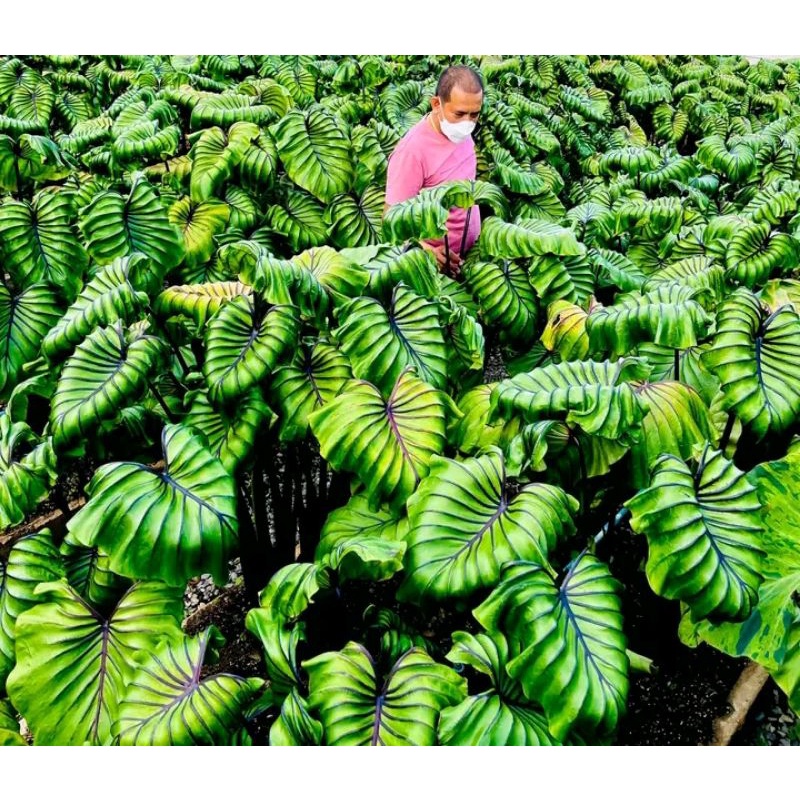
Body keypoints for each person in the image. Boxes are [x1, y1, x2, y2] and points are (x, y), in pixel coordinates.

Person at [384, 65, 484, 277]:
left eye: (474, 114)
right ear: (437, 104)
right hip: (434, 270)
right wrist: (426, 252)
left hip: (471, 258)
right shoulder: (412, 151)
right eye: (459, 114)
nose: (467, 123)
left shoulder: (461, 133)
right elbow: (391, 221)